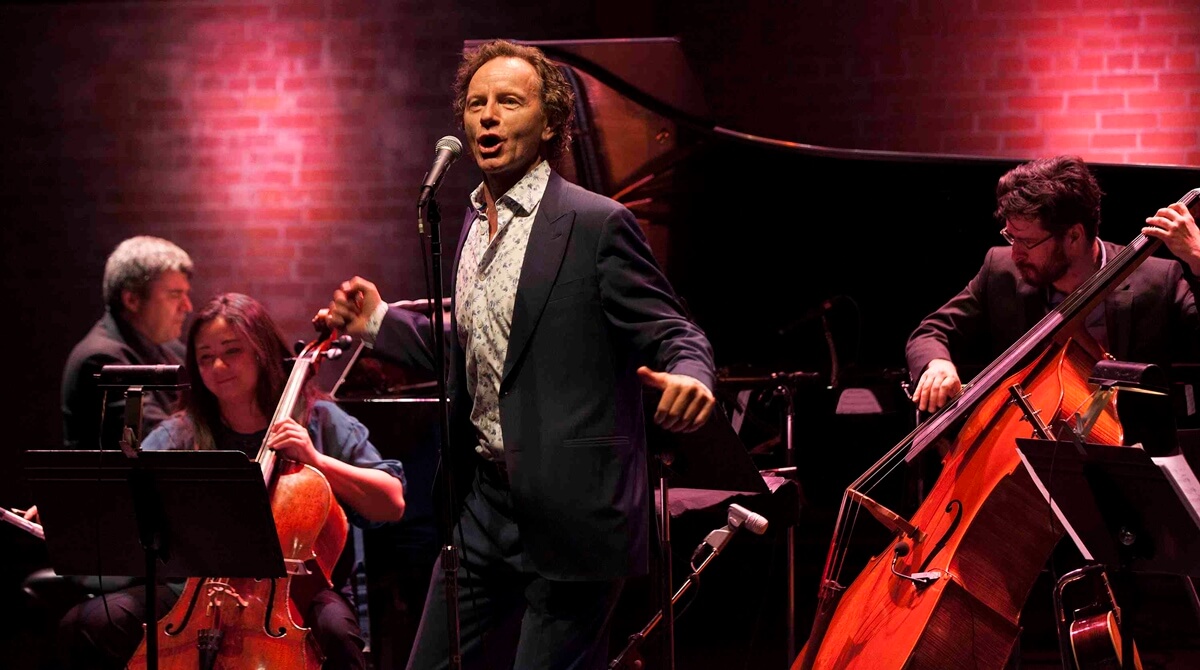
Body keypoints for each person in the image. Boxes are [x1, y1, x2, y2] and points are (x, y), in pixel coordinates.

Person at [317, 39, 717, 670]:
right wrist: (378, 324)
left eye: (508, 101)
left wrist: (693, 378)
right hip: (485, 505)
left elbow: (677, 332)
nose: (488, 115)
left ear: (551, 122)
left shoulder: (596, 225)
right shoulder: (474, 227)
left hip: (573, 512)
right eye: (477, 103)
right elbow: (476, 353)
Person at [56, 292, 407, 670]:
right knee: (88, 622)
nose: (218, 365)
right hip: (192, 595)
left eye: (232, 350)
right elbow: (126, 494)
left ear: (261, 352)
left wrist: (316, 459)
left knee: (337, 633)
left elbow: (392, 501)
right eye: (205, 357)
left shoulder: (317, 419)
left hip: (297, 595)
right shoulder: (182, 434)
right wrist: (69, 511)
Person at [908, 154, 1200, 414]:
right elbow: (932, 332)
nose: (1015, 253)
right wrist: (937, 364)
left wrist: (1198, 257)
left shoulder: (1158, 280)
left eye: (1028, 241)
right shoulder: (1001, 270)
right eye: (1011, 237)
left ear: (1073, 236)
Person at [62, 235, 194, 450]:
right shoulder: (99, 360)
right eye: (174, 295)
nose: (187, 306)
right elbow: (161, 444)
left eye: (186, 294)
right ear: (132, 300)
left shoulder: (170, 348)